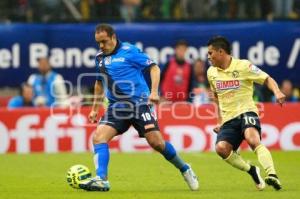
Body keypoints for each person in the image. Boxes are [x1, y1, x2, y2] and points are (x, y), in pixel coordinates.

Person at [79, 24, 199, 192]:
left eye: (104, 41)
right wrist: (94, 108)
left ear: (113, 37)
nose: (101, 46)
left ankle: (185, 168)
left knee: (156, 143)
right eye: (98, 42)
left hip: (140, 104)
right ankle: (101, 179)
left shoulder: (130, 51)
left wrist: (154, 92)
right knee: (99, 137)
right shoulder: (99, 57)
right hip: (117, 106)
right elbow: (99, 83)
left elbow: (154, 68)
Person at [207, 36, 285, 191]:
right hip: (229, 119)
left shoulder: (243, 66)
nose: (209, 57)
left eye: (211, 53)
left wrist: (277, 91)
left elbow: (266, 78)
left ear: (221, 52)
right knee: (221, 149)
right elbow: (216, 96)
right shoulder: (211, 73)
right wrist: (219, 120)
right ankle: (252, 170)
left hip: (246, 111)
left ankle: (272, 175)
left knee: (252, 138)